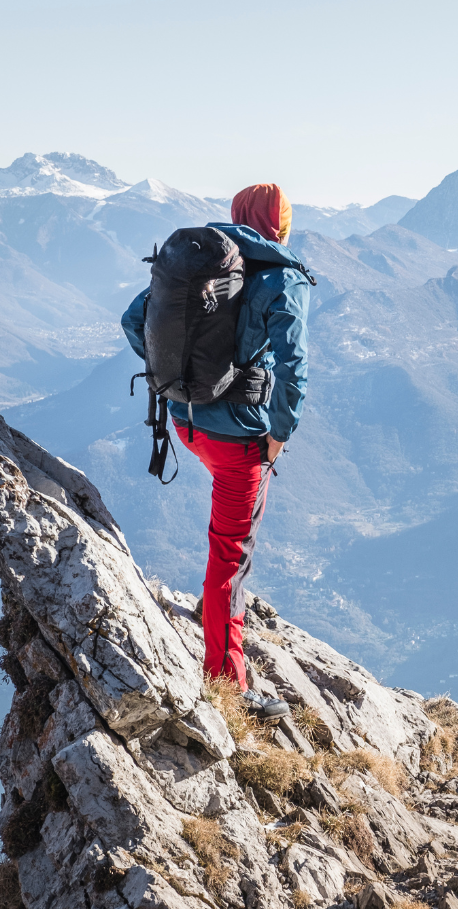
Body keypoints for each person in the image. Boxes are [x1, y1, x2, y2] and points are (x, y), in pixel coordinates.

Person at [122, 183, 313, 720]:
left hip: (184, 424)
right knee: (229, 552)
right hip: (239, 440)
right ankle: (229, 685)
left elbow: (133, 320)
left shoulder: (195, 262)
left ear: (237, 217)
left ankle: (217, 614)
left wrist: (177, 382)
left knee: (226, 548)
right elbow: (294, 366)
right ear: (281, 226)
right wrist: (280, 431)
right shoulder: (281, 277)